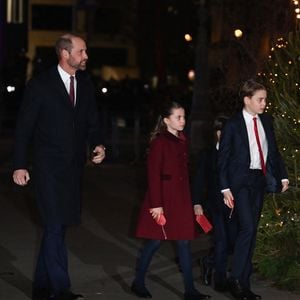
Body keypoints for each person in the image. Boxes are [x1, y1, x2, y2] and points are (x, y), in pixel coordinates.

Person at [12, 33, 105, 300]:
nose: (86, 56)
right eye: (82, 51)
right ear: (65, 54)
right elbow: (24, 128)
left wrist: (98, 145)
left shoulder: (85, 85)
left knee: (59, 227)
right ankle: (60, 289)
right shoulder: (41, 85)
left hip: (73, 170)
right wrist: (19, 165)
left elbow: (92, 123)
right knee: (54, 226)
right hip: (47, 170)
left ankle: (41, 287)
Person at [131, 101, 210, 300]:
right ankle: (138, 282)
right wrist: (156, 205)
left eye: (184, 117)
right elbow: (153, 174)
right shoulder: (160, 142)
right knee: (154, 242)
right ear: (167, 120)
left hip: (181, 199)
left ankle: (190, 291)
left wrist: (193, 202)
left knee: (184, 242)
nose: (183, 121)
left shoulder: (183, 139)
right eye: (178, 117)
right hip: (163, 200)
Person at [218, 79, 289, 300]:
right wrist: (224, 187)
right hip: (239, 183)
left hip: (259, 180)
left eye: (265, 99)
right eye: (260, 99)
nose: (264, 103)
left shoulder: (266, 121)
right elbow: (223, 159)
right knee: (247, 228)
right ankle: (236, 279)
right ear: (247, 99)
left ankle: (243, 284)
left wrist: (283, 175)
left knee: (252, 231)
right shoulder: (232, 124)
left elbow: (274, 151)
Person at [192, 116, 237, 292]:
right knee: (221, 241)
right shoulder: (208, 154)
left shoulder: (237, 154)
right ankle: (219, 279)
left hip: (234, 206)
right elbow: (198, 180)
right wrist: (197, 203)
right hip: (215, 205)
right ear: (219, 134)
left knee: (232, 242)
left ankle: (208, 262)